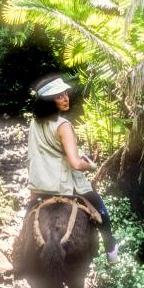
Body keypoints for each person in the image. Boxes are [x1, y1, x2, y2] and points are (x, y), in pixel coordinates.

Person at [25, 74, 118, 263]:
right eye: (59, 96)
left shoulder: (34, 123)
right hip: (66, 186)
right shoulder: (63, 125)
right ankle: (111, 252)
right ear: (49, 101)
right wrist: (90, 165)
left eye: (65, 93)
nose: (66, 98)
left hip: (40, 185)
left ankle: (21, 255)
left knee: (27, 218)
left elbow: (44, 153)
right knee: (102, 213)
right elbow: (76, 164)